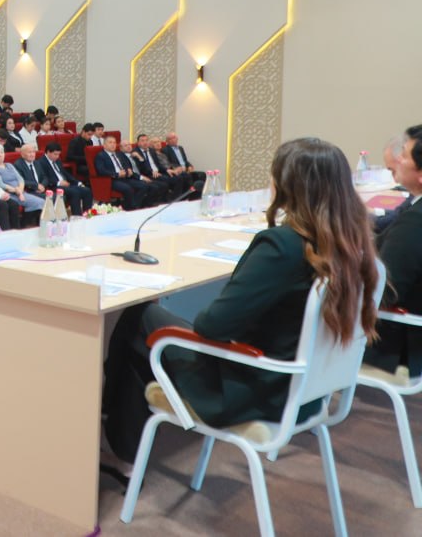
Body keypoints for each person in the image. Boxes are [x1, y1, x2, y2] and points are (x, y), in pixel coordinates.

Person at [102, 137, 379, 464]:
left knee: (141, 316)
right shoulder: (349, 243)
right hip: (306, 389)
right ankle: (122, 433)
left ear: (287, 184)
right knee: (151, 325)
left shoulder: (282, 246)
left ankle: (118, 434)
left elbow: (212, 326)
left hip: (252, 387)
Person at [363, 125, 422, 377]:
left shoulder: (415, 222)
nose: (398, 161)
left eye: (404, 156)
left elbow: (385, 291)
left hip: (398, 347)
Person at [36, 141, 94, 216]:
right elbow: (44, 178)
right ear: (48, 152)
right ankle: (77, 216)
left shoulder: (57, 160)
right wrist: (58, 183)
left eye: (58, 154)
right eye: (55, 154)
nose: (57, 156)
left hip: (65, 184)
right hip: (53, 186)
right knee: (75, 192)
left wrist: (77, 182)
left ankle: (87, 214)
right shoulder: (40, 162)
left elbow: (65, 173)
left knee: (87, 190)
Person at [94, 135, 149, 211]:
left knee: (143, 185)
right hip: (112, 179)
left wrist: (128, 169)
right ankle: (131, 207)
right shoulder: (101, 155)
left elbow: (125, 164)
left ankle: (133, 206)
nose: (113, 144)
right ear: (104, 145)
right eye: (110, 142)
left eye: (114, 143)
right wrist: (117, 174)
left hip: (125, 177)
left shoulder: (119, 154)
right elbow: (101, 170)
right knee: (127, 188)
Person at [161, 131, 206, 197]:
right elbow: (168, 163)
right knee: (186, 176)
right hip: (178, 171)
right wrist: (179, 167)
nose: (174, 140)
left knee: (202, 174)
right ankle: (190, 196)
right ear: (167, 141)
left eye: (174, 137)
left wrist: (189, 166)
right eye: (171, 138)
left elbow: (185, 160)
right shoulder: (165, 150)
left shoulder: (180, 148)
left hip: (186, 170)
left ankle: (199, 196)